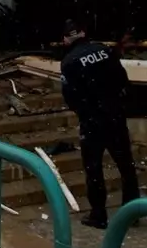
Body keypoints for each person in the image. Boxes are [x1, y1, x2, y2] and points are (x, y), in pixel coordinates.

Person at [60, 20, 141, 229]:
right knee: (126, 165)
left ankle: (98, 215)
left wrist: (86, 113)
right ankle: (132, 213)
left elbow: (71, 96)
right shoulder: (105, 51)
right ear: (84, 33)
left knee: (93, 169)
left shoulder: (69, 62)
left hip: (93, 121)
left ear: (66, 39)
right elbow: (123, 80)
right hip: (115, 116)